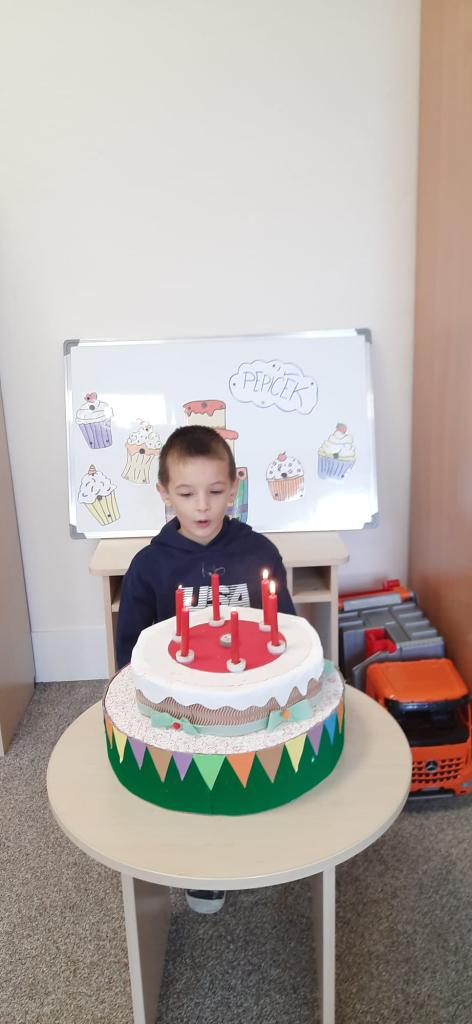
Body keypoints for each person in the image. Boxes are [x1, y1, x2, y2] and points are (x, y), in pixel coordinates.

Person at [116, 424, 295, 914]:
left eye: (215, 492)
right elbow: (131, 648)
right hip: (180, 708)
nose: (202, 506)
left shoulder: (258, 553)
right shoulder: (149, 566)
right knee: (191, 784)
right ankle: (202, 869)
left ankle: (258, 849)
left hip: (250, 701)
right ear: (163, 493)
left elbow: (287, 630)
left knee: (252, 776)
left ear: (234, 488)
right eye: (186, 493)